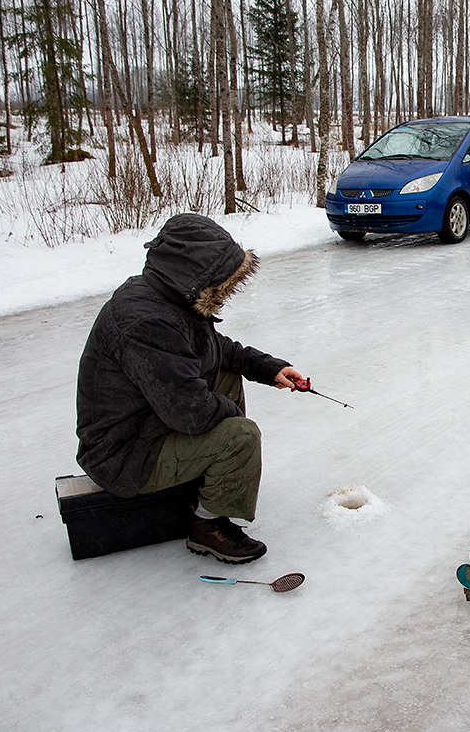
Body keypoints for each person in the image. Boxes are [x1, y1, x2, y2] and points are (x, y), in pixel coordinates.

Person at [75, 213, 302, 564]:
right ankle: (206, 527)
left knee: (225, 377)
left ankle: (215, 478)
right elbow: (191, 412)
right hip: (123, 455)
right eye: (220, 283)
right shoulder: (146, 322)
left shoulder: (166, 298)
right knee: (239, 436)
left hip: (142, 423)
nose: (225, 292)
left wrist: (271, 369)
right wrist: (231, 425)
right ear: (194, 275)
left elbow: (217, 350)